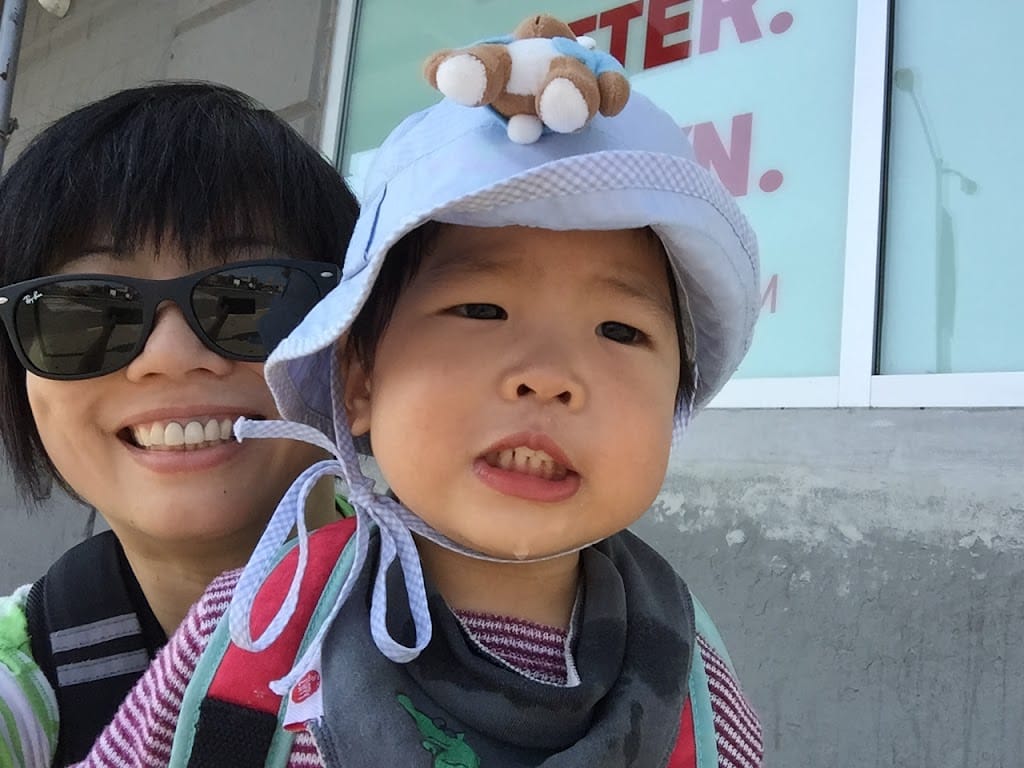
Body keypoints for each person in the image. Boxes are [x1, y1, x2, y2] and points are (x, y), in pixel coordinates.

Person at [79, 22, 764, 768]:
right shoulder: (255, 627)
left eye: (620, 331)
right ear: (359, 380)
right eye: (481, 310)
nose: (549, 375)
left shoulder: (690, 676)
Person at [0, 81, 358, 767]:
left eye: (253, 297)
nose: (169, 356)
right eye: (85, 309)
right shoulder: (19, 689)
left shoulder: (512, 610)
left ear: (358, 342)